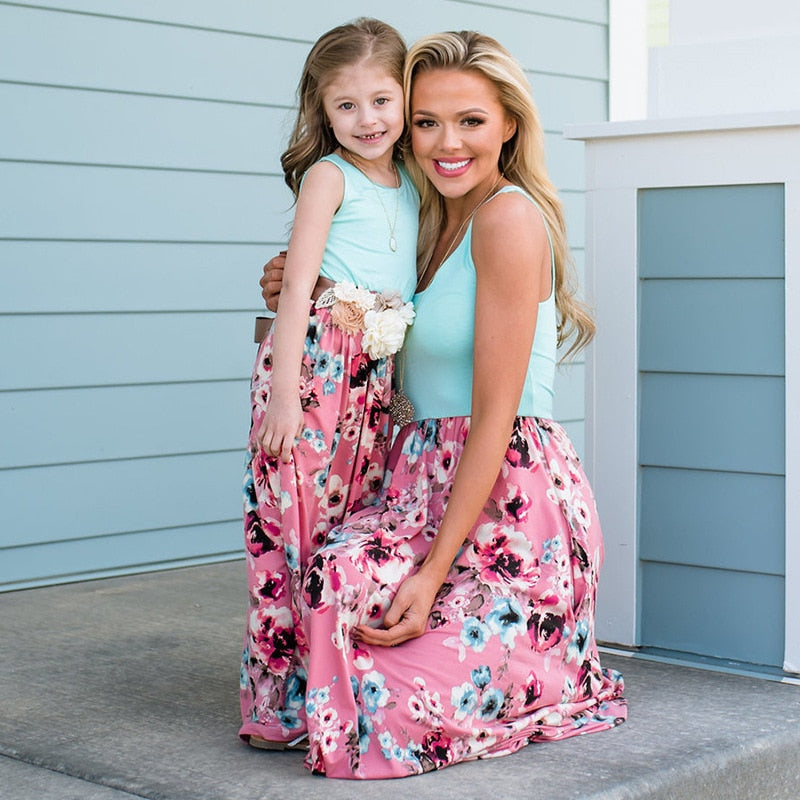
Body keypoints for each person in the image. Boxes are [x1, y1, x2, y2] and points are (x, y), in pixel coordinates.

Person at [259, 30, 626, 779]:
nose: (445, 143)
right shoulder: (424, 220)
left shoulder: (508, 218)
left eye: (470, 121)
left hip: (508, 508)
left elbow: (494, 419)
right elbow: (371, 311)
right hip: (416, 493)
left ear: (510, 125)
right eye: (426, 121)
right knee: (336, 582)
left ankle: (544, 662)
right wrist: (313, 289)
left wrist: (430, 577)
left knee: (384, 705)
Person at [239, 18, 419, 750]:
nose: (367, 120)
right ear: (321, 107)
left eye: (381, 100)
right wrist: (284, 394)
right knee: (291, 533)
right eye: (347, 105)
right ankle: (272, 703)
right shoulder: (328, 176)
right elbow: (295, 292)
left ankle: (331, 689)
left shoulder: (413, 183)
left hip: (371, 385)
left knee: (348, 535)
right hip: (311, 374)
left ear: (404, 99)